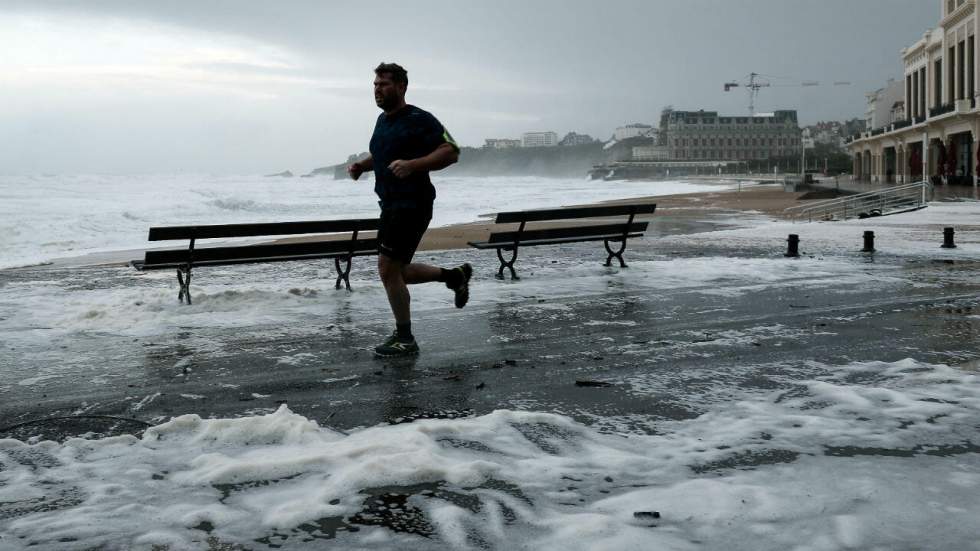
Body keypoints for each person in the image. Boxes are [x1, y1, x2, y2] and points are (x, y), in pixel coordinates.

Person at [347, 62, 471, 358]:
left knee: (387, 269)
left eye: (384, 84)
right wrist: (361, 166)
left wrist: (413, 165)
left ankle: (405, 338)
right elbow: (380, 154)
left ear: (401, 87)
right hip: (390, 204)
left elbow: (451, 152)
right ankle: (453, 277)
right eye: (375, 84)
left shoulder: (420, 119)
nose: (378, 89)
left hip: (413, 203)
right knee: (397, 271)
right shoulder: (382, 121)